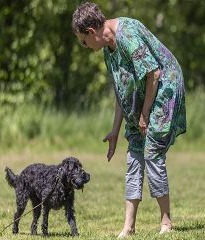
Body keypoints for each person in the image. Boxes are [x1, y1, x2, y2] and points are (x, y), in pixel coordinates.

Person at [72, 2, 186, 237]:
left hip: (164, 88)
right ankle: (129, 227)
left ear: (91, 32)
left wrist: (144, 114)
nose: (85, 46)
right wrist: (115, 130)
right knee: (134, 154)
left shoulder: (127, 35)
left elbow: (153, 74)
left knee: (152, 151)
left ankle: (166, 222)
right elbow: (121, 90)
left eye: (83, 41)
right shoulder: (107, 50)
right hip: (143, 94)